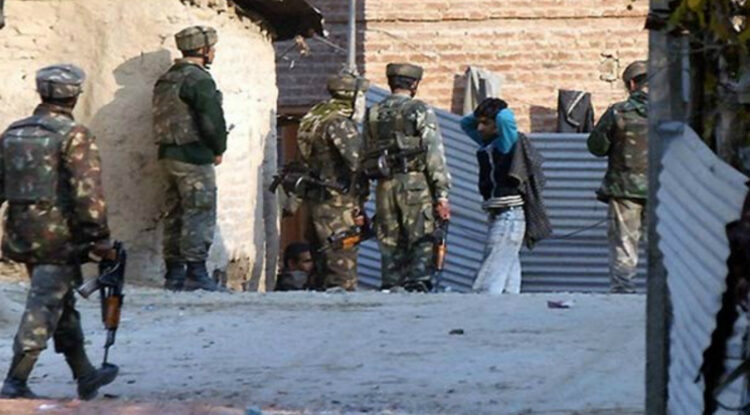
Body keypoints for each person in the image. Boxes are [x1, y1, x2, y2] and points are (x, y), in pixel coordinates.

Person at [0, 64, 118, 399]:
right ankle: (16, 379)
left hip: (21, 233)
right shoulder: (74, 135)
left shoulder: (13, 133)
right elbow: (87, 192)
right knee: (43, 304)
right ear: (74, 96)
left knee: (61, 302)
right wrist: (99, 237)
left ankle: (85, 374)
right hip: (58, 238)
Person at [362, 63, 452, 292]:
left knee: (389, 239)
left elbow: (365, 152)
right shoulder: (419, 109)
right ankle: (418, 285)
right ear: (414, 84)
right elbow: (433, 153)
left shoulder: (373, 112)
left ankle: (391, 285)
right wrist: (441, 194)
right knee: (421, 237)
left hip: (384, 185)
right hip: (414, 184)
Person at [153, 25, 227, 292]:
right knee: (199, 212)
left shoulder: (168, 78)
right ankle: (196, 273)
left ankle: (174, 275)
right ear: (204, 50)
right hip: (193, 156)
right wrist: (218, 147)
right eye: (212, 48)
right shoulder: (198, 79)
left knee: (174, 213)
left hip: (168, 155)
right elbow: (211, 119)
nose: (214, 52)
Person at [461, 98, 551, 294]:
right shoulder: (489, 143)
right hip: (500, 214)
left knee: (491, 271)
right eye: (479, 122)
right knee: (507, 270)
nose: (479, 128)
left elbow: (505, 117)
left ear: (497, 126)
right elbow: (465, 124)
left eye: (485, 123)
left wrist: (496, 110)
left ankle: (482, 305)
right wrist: (483, 113)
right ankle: (509, 303)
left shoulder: (506, 143)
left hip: (509, 216)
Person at [295, 72, 370, 291]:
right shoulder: (338, 123)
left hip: (316, 201)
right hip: (337, 205)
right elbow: (358, 162)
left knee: (321, 270)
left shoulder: (315, 117)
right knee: (342, 270)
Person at [587, 60, 648, 294]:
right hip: (664, 190)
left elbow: (596, 147)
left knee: (624, 245)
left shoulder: (618, 112)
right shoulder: (672, 111)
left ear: (631, 84)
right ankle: (666, 295)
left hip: (625, 191)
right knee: (663, 245)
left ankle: (624, 293)